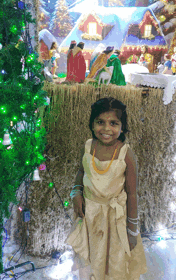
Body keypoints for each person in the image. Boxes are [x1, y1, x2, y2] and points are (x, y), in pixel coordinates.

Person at [66, 98, 147, 280]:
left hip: (114, 221)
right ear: (92, 123)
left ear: (122, 126)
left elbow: (132, 194)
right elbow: (81, 171)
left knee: (114, 263)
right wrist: (76, 192)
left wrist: (132, 230)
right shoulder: (88, 147)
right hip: (89, 216)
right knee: (91, 261)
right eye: (100, 122)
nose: (106, 129)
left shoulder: (125, 154)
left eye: (113, 123)